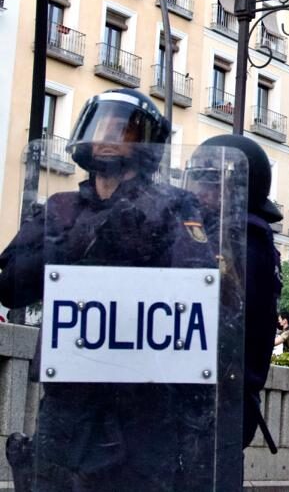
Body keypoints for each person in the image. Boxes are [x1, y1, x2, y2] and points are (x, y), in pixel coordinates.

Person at [0, 89, 217, 492]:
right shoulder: (60, 209)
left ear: (145, 144)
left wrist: (145, 238)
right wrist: (62, 247)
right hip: (70, 394)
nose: (106, 136)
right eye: (101, 125)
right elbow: (10, 287)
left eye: (123, 129)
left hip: (146, 399)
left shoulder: (174, 207)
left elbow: (199, 281)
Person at [185, 134, 283, 458]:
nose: (196, 190)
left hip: (217, 399)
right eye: (196, 178)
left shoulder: (244, 238)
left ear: (235, 187)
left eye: (208, 181)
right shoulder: (222, 231)